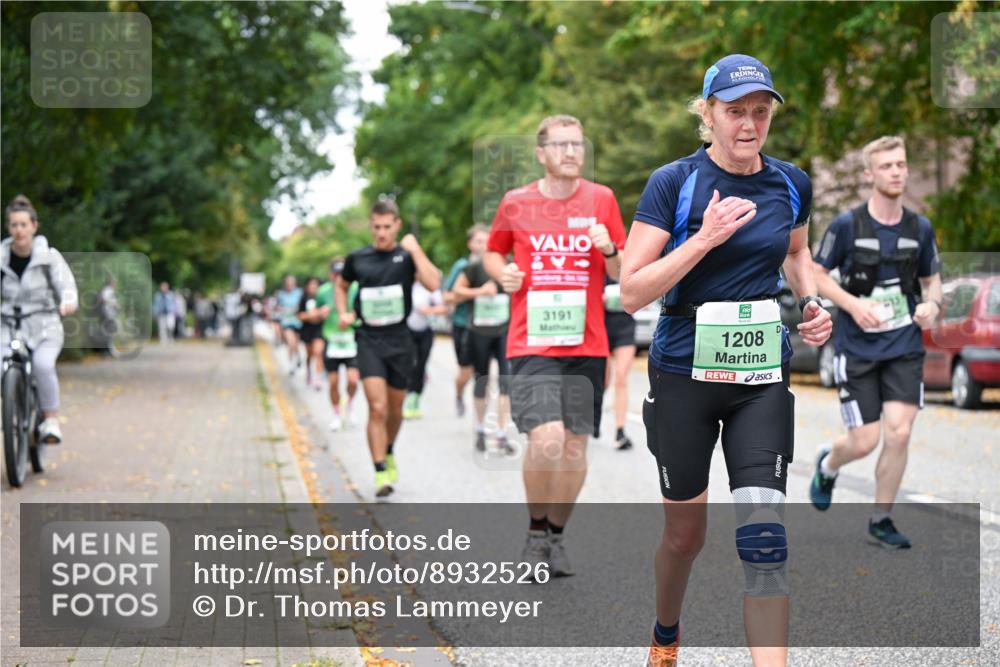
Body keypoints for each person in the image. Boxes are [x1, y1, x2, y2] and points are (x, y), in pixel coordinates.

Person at [619, 55, 832, 666]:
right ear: (707, 113)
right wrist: (704, 238)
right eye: (735, 111)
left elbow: (797, 252)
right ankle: (665, 634)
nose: (749, 124)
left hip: (760, 379)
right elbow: (631, 290)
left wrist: (810, 301)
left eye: (760, 112)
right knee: (685, 537)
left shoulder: (791, 183)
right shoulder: (675, 182)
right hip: (683, 376)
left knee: (765, 540)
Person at [483, 114, 627, 580]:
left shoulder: (602, 199)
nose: (571, 152)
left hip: (587, 343)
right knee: (546, 440)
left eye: (577, 144)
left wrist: (609, 250)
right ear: (541, 153)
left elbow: (622, 272)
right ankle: (535, 532)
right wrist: (502, 273)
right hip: (532, 341)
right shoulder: (516, 202)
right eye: (561, 145)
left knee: (574, 447)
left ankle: (556, 536)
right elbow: (493, 251)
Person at [809, 135, 943, 549]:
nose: (896, 172)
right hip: (858, 348)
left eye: (901, 164)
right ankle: (829, 464)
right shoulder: (847, 225)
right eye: (887, 166)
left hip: (904, 345)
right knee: (864, 441)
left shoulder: (919, 228)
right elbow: (815, 274)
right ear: (869, 174)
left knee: (899, 433)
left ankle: (881, 519)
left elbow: (932, 282)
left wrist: (932, 306)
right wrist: (852, 305)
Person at [337, 199, 441, 497]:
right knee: (377, 406)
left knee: (395, 409)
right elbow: (342, 286)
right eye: (376, 227)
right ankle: (380, 470)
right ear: (370, 226)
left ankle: (389, 448)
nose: (381, 233)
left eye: (387, 227)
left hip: (400, 341)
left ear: (397, 225)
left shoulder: (406, 257)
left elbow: (434, 284)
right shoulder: (357, 258)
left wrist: (415, 249)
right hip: (369, 340)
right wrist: (344, 312)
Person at [1, 195, 78, 444]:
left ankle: (50, 419)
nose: (19, 230)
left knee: (43, 365)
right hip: (9, 324)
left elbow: (66, 284)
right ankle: (11, 408)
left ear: (34, 226)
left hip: (44, 324)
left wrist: (67, 301)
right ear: (8, 228)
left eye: (24, 224)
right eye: (14, 225)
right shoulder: (1, 257)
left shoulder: (49, 257)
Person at [452, 256, 514, 454]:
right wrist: (480, 291)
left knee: (506, 381)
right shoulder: (475, 267)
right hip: (479, 332)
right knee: (482, 380)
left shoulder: (511, 265)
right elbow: (456, 290)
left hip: (504, 331)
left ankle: (501, 433)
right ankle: (480, 428)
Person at [443, 225, 488, 416]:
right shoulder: (462, 266)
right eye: (479, 241)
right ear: (470, 244)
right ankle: (459, 394)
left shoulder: (494, 266)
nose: (484, 245)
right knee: (465, 372)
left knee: (484, 374)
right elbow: (447, 297)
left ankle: (481, 419)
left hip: (486, 327)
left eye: (487, 241)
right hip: (463, 325)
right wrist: (476, 292)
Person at [316, 259, 360, 431]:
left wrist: (351, 317)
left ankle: (349, 404)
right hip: (332, 339)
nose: (339, 277)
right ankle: (336, 415)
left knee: (353, 380)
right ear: (331, 275)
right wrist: (320, 313)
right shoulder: (323, 292)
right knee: (333, 382)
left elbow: (362, 310)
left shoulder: (356, 288)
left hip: (350, 339)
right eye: (336, 274)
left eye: (342, 273)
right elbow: (314, 313)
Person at [403, 282, 447, 419]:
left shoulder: (430, 287)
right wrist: (429, 309)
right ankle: (407, 397)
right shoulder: (407, 284)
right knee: (410, 365)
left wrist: (428, 310)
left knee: (421, 365)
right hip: (408, 331)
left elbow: (443, 308)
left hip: (426, 331)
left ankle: (415, 399)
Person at [603, 276, 637, 450]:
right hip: (601, 326)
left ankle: (620, 431)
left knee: (621, 378)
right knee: (603, 380)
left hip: (625, 327)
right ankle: (592, 414)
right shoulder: (599, 266)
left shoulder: (630, 267)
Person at [297, 277, 325, 390]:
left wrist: (318, 314)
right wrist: (312, 315)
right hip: (307, 329)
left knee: (318, 352)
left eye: (315, 285)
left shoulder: (322, 298)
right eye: (311, 285)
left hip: (319, 329)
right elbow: (300, 315)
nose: (313, 287)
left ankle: (318, 378)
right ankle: (309, 370)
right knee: (310, 354)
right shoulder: (304, 298)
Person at [276, 275, 303, 375]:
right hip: (286, 322)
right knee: (291, 343)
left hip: (298, 322)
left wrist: (297, 309)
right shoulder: (281, 294)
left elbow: (302, 305)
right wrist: (282, 310)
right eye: (288, 283)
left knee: (296, 344)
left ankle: (298, 356)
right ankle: (291, 364)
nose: (290, 285)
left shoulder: (299, 293)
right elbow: (278, 306)